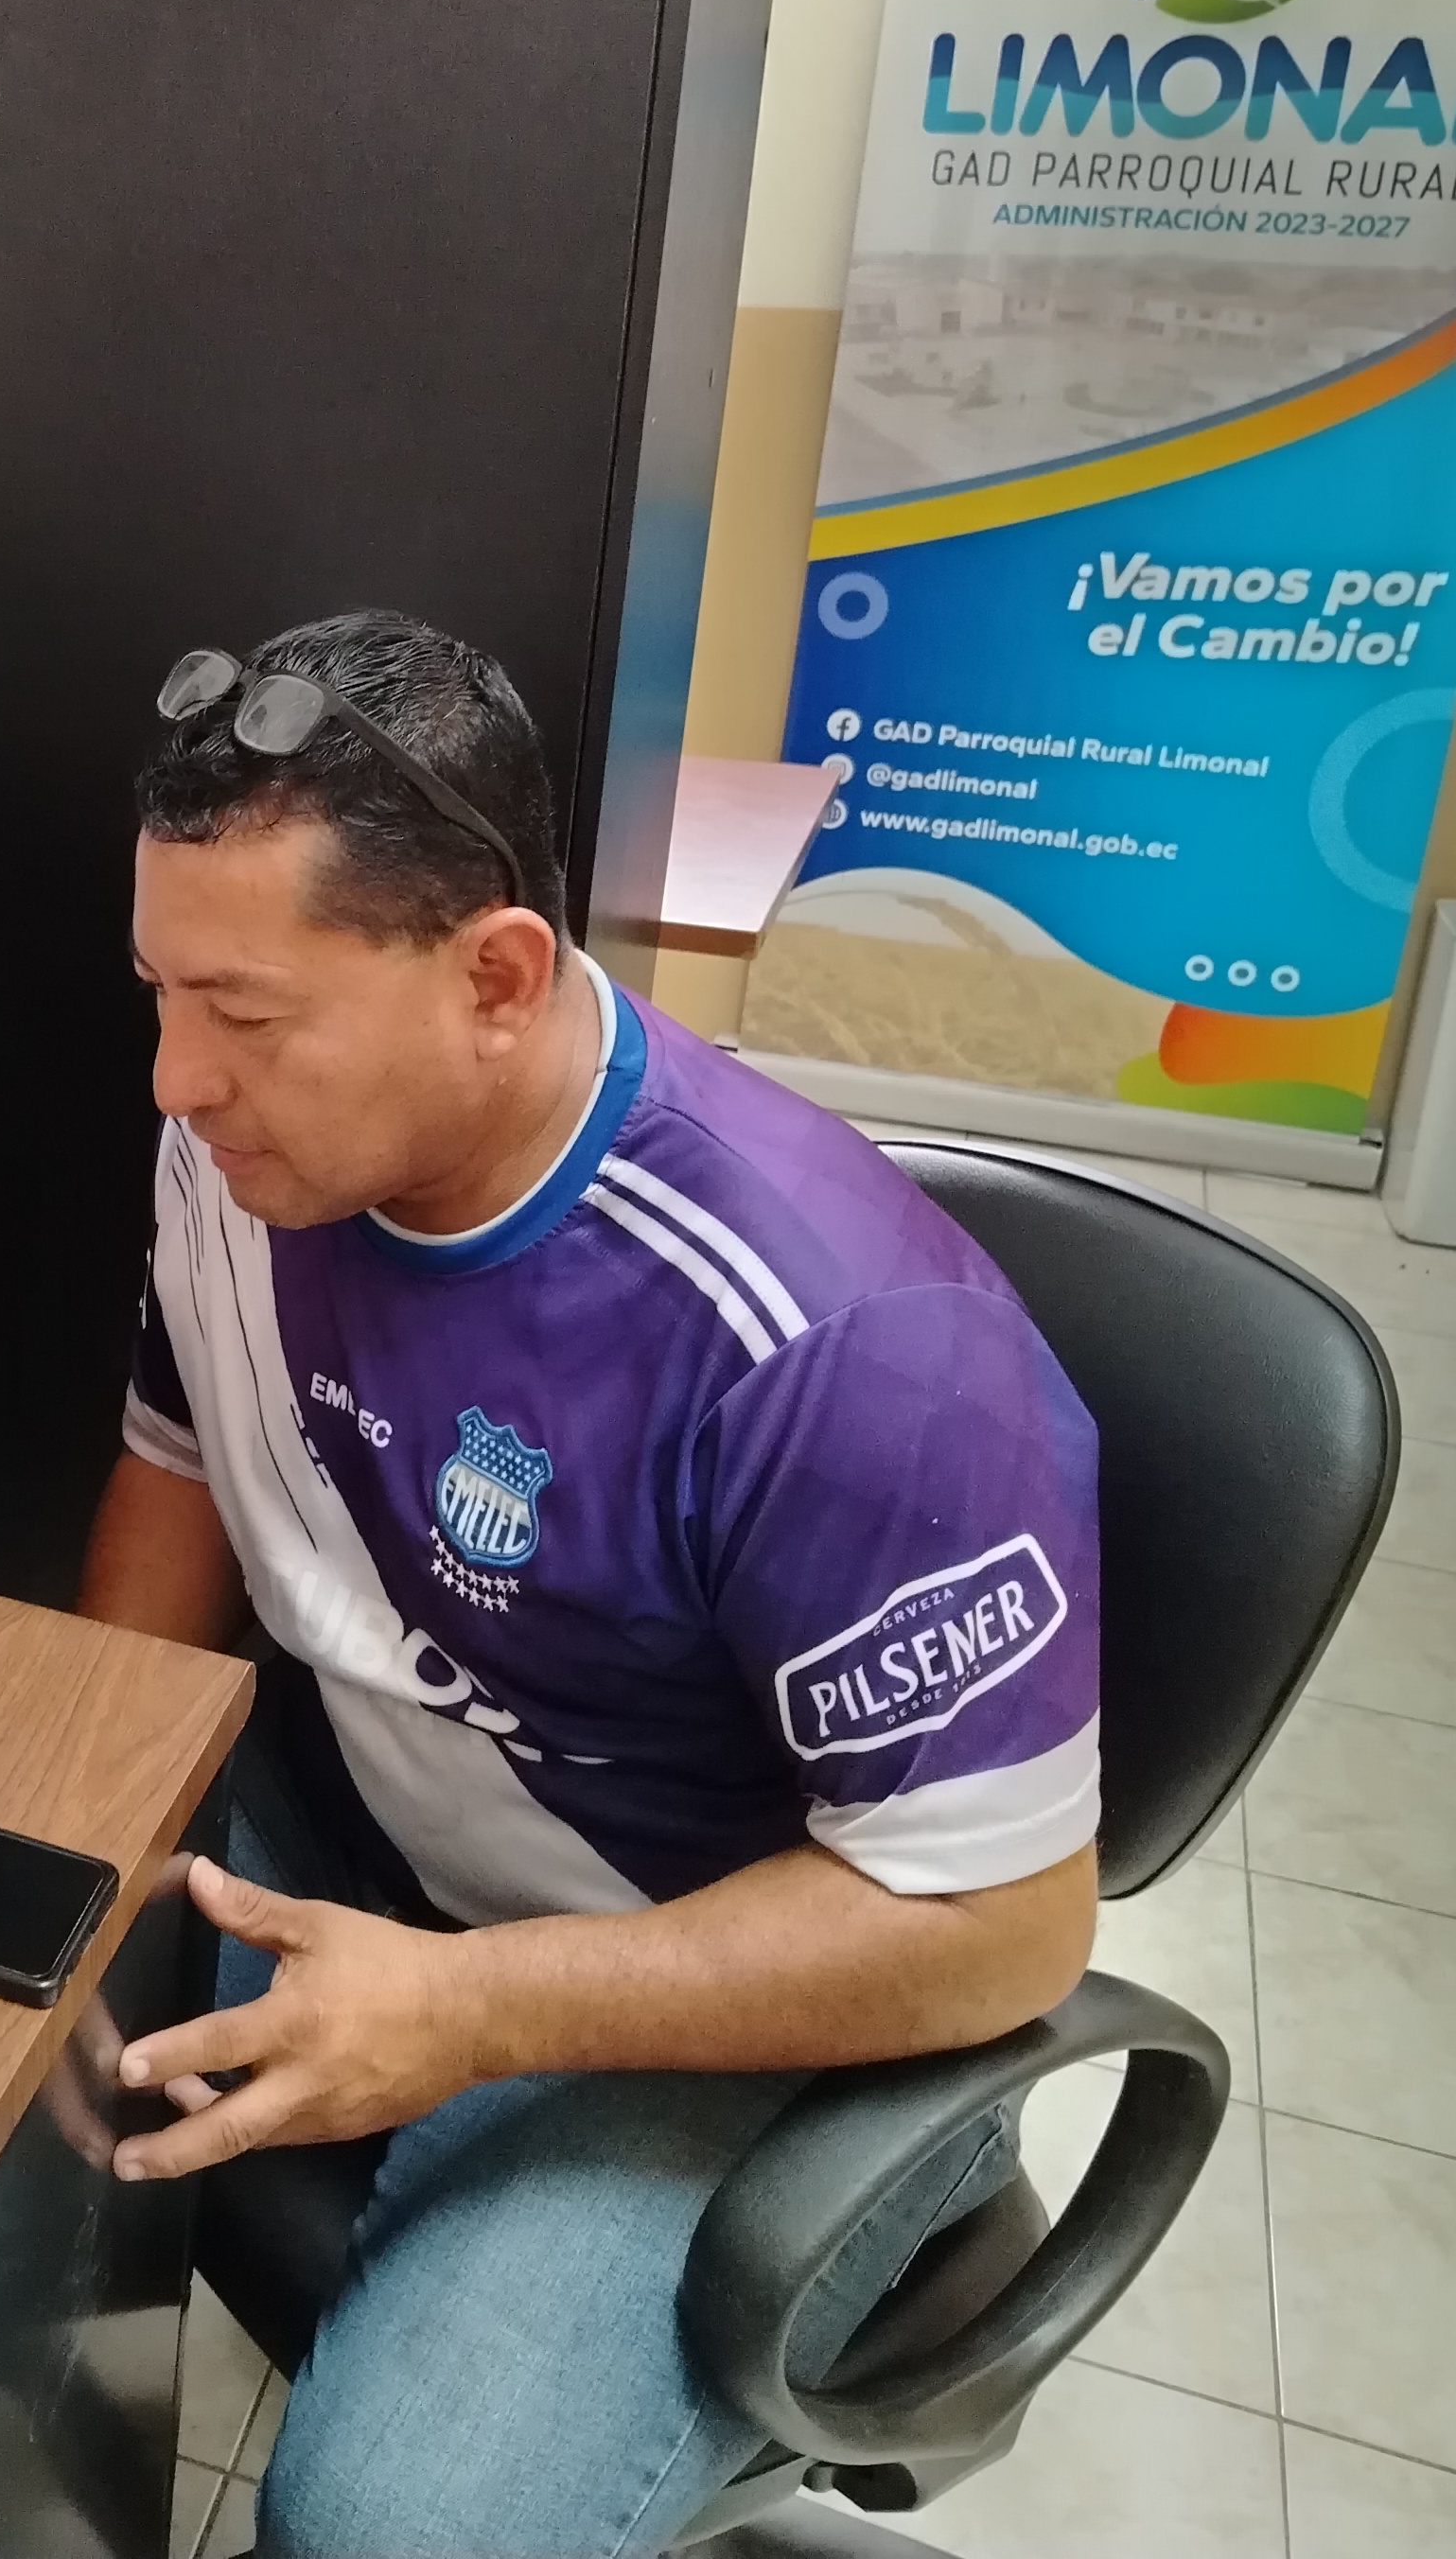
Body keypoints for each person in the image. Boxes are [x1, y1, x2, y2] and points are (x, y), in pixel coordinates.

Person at [79, 613, 1100, 2557]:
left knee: (384, 2533)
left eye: (246, 1016)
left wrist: (473, 2013)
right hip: (390, 1812)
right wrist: (74, 1800)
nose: (175, 1079)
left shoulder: (834, 1342)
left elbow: (1004, 1927)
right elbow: (178, 1462)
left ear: (495, 977)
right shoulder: (244, 1153)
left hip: (738, 1977)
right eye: (158, 993)